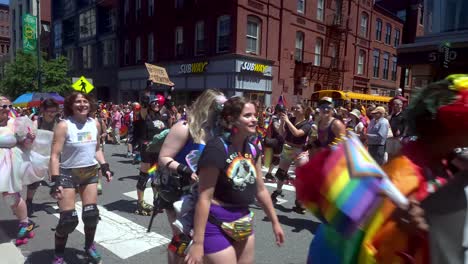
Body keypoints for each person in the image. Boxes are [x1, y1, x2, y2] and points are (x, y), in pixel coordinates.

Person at [185, 96, 285, 264]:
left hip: (243, 221)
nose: (254, 119)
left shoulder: (253, 148)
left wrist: (275, 222)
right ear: (231, 119)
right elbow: (204, 197)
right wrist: (198, 242)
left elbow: (260, 189)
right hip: (215, 224)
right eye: (247, 115)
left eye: (255, 115)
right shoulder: (217, 148)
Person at [158, 89, 226, 264]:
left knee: (201, 239)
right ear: (209, 106)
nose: (223, 111)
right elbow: (163, 158)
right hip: (180, 191)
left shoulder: (217, 130)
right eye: (220, 107)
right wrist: (187, 171)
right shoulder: (184, 127)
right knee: (181, 240)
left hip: (204, 193)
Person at [49, 92, 113, 264]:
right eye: (78, 102)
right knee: (68, 220)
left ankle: (89, 246)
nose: (82, 104)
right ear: (71, 105)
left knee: (91, 215)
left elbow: (97, 148)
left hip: (90, 172)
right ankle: (59, 254)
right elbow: (55, 155)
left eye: (85, 101)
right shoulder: (64, 125)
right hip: (68, 174)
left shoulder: (96, 123)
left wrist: (105, 166)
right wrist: (55, 181)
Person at [270, 102, 313, 213]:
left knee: (301, 177)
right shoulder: (291, 119)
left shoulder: (307, 124)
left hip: (300, 151)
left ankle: (299, 201)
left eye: (297, 108)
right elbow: (281, 133)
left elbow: (298, 133)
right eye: (294, 107)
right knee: (281, 173)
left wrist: (288, 121)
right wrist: (283, 122)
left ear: (303, 110)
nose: (294, 109)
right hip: (287, 147)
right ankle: (278, 191)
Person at [133, 94, 169, 215]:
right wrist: (148, 89)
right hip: (147, 149)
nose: (156, 105)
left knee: (155, 177)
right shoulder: (145, 115)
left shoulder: (161, 116)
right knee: (144, 176)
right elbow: (143, 105)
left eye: (158, 103)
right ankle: (140, 202)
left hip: (158, 151)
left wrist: (169, 91)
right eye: (154, 103)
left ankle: (156, 200)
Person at [26, 99, 60, 216]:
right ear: (43, 111)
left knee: (58, 179)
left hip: (54, 155)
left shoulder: (59, 123)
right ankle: (29, 201)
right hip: (39, 155)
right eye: (49, 111)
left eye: (54, 111)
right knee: (35, 181)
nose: (51, 114)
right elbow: (28, 138)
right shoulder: (37, 122)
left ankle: (60, 200)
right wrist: (30, 135)